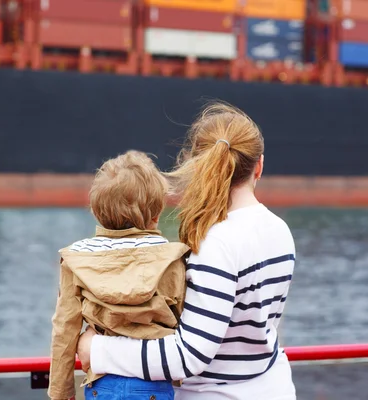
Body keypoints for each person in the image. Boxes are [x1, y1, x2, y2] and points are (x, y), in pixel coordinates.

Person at [77, 102, 297, 400]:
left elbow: (189, 356)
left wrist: (98, 349)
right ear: (259, 165)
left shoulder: (216, 243)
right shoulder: (278, 230)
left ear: (198, 165)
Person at [48, 150, 190, 400]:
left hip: (102, 386)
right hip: (153, 384)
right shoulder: (171, 258)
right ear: (156, 215)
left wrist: (61, 392)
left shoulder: (77, 259)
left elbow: (65, 329)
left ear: (95, 211)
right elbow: (183, 321)